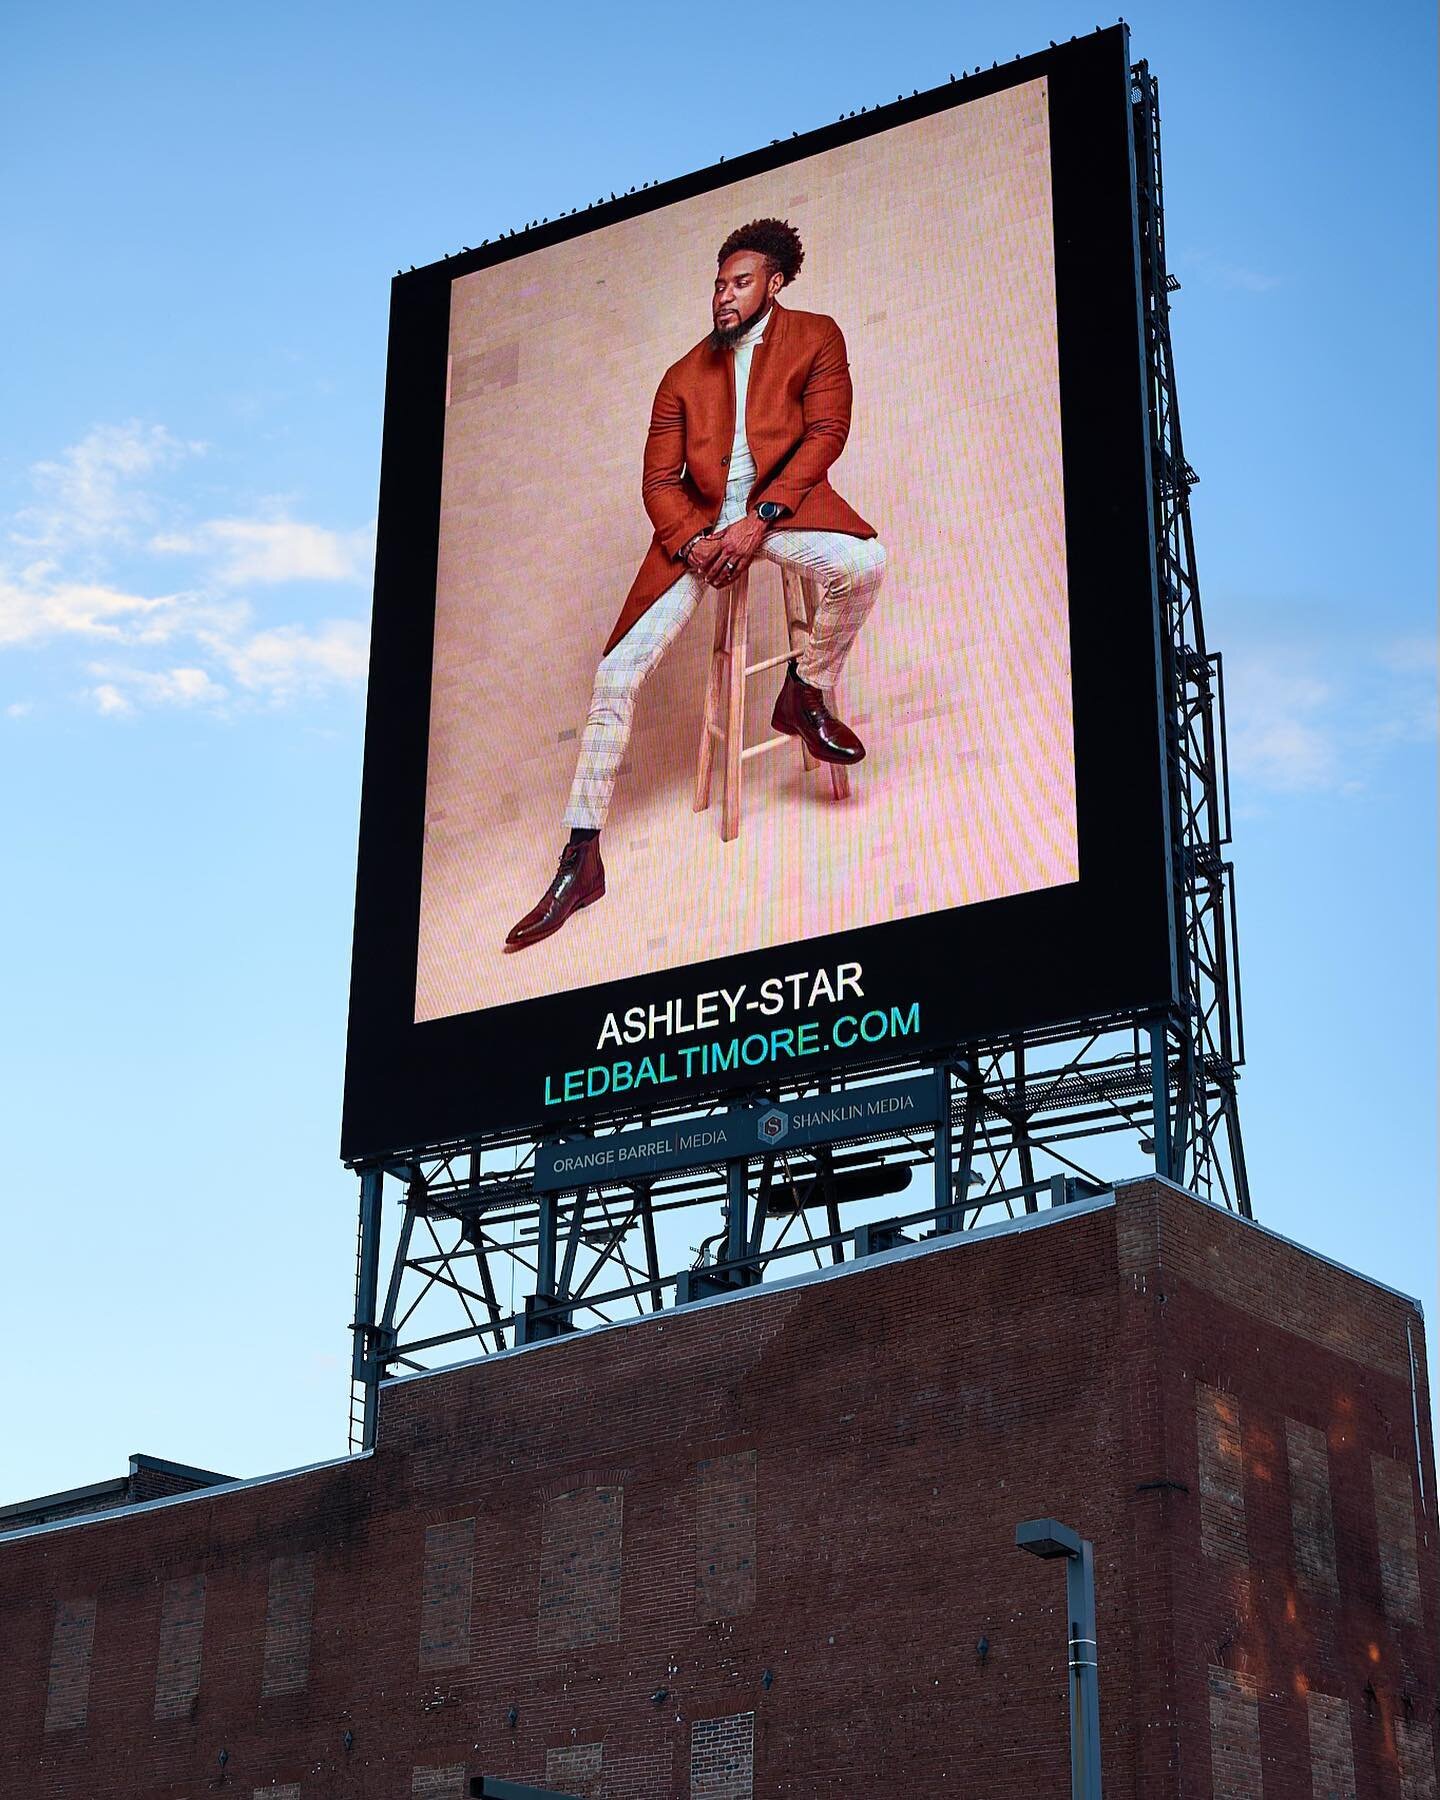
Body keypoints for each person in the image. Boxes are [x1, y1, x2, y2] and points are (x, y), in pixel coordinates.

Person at [506, 217, 887, 951]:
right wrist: (699, 541)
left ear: (774, 284)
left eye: (739, 282)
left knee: (865, 565)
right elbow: (657, 482)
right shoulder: (682, 375)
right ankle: (580, 860)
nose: (723, 295)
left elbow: (826, 433)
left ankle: (802, 693)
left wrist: (760, 520)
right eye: (717, 283)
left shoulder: (817, 336)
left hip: (785, 512)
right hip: (700, 535)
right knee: (615, 674)